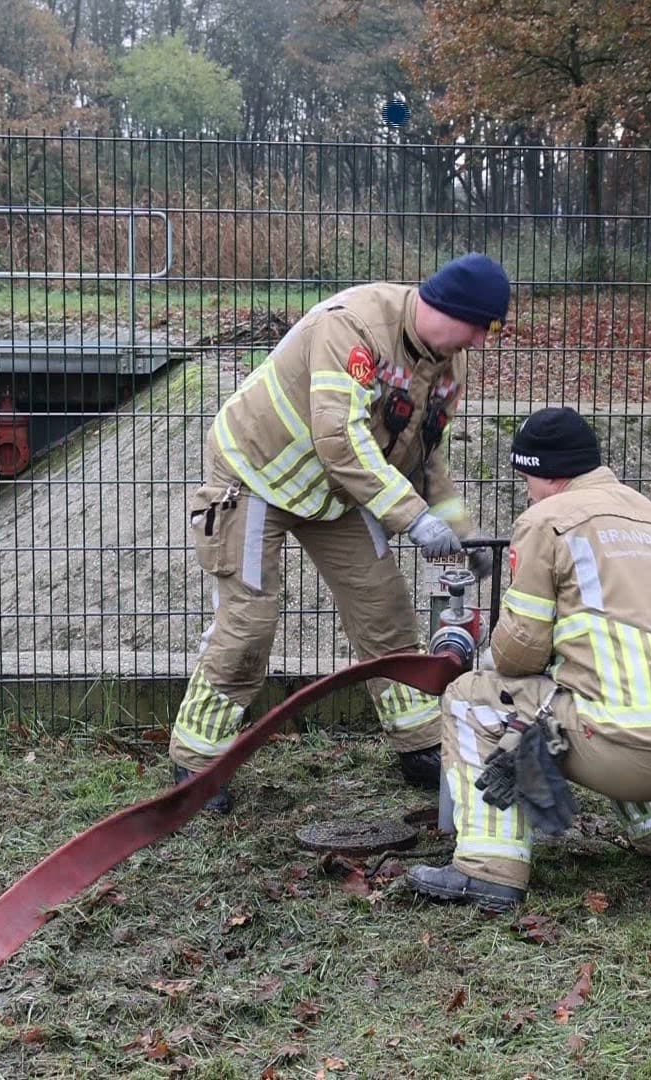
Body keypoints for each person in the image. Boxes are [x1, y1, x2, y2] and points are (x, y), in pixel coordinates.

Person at [168, 254, 510, 812]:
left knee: (385, 609)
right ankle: (197, 761)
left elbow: (426, 457)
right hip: (256, 475)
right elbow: (340, 440)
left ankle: (419, 742)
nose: (483, 342)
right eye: (481, 327)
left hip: (338, 493)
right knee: (249, 622)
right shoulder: (351, 325)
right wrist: (413, 517)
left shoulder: (451, 364)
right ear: (449, 309)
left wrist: (461, 536)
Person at [407, 407, 651, 911]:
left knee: (471, 701)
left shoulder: (547, 520)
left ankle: (487, 869)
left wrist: (486, 660)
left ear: (549, 473)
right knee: (605, 691)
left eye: (527, 477)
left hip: (623, 749)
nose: (526, 490)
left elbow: (521, 650)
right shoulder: (648, 515)